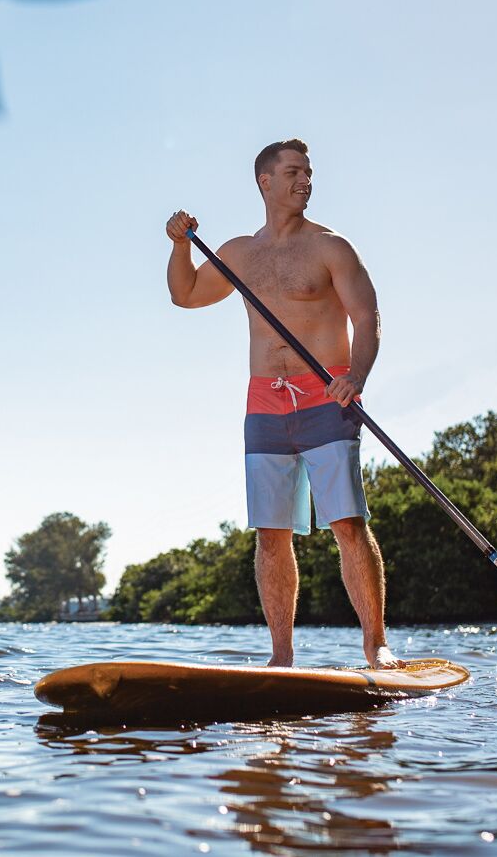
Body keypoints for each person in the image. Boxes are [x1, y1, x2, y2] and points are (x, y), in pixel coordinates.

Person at [165, 138, 400, 669]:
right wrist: (180, 245)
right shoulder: (240, 253)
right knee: (271, 535)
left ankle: (376, 645)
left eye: (309, 173)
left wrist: (356, 375)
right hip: (264, 402)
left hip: (327, 393)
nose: (306, 181)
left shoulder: (331, 247)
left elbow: (367, 318)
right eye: (294, 171)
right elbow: (186, 295)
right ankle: (281, 657)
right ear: (264, 182)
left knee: (346, 522)